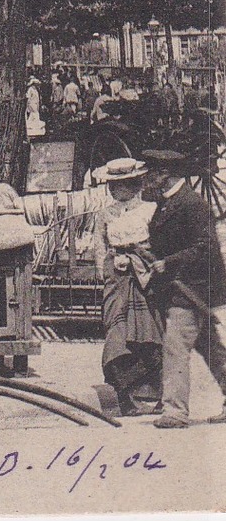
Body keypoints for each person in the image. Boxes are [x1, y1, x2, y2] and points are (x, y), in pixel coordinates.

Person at [141, 150, 226, 428]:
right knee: (211, 349)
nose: (147, 179)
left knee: (175, 348)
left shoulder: (191, 203)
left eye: (151, 173)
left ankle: (175, 412)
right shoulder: (169, 202)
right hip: (183, 287)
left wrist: (169, 262)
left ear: (165, 175)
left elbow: (205, 247)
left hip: (193, 289)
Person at [90, 158, 164, 416]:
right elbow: (99, 246)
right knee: (117, 335)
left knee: (150, 333)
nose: (113, 189)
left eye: (119, 184)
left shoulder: (150, 210)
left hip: (145, 278)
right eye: (111, 184)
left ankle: (156, 397)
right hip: (117, 279)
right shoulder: (105, 214)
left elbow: (159, 245)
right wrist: (107, 271)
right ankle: (125, 396)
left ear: (134, 184)